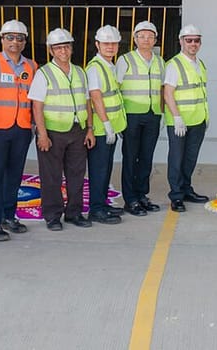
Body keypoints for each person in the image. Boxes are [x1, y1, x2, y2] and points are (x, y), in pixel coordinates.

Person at [29, 28, 94, 231]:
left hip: (77, 130)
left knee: (77, 174)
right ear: (51, 50)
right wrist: (42, 134)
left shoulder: (80, 72)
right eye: (58, 48)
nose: (63, 51)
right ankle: (52, 215)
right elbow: (37, 106)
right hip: (52, 132)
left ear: (71, 48)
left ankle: (74, 213)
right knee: (51, 176)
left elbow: (87, 102)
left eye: (66, 47)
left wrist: (89, 129)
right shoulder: (44, 73)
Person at [0, 20, 38, 241]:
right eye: (10, 37)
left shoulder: (31, 66)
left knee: (14, 176)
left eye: (20, 38)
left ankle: (8, 216)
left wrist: (34, 125)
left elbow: (34, 98)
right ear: (2, 39)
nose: (15, 42)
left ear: (25, 41)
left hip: (22, 128)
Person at [116, 21, 164, 216]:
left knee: (146, 157)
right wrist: (119, 118)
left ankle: (142, 194)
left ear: (155, 39)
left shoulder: (160, 62)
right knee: (130, 157)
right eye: (142, 36)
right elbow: (116, 89)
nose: (146, 40)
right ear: (135, 39)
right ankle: (130, 199)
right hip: (132, 116)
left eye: (150, 36)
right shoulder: (125, 60)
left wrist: (161, 113)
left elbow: (162, 89)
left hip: (153, 115)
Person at [164, 25, 210, 212]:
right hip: (180, 121)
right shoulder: (174, 64)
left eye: (196, 40)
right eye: (189, 40)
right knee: (177, 159)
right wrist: (176, 117)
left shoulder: (200, 64)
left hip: (198, 119)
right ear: (181, 41)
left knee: (190, 159)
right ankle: (176, 196)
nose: (193, 44)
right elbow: (168, 93)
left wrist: (206, 115)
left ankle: (186, 189)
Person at [86, 25, 127, 225]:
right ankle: (96, 209)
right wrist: (106, 123)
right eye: (106, 43)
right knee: (99, 169)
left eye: (113, 43)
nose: (110, 47)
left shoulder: (110, 65)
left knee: (106, 167)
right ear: (97, 44)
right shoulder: (95, 67)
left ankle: (102, 203)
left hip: (111, 127)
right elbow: (95, 97)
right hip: (102, 129)